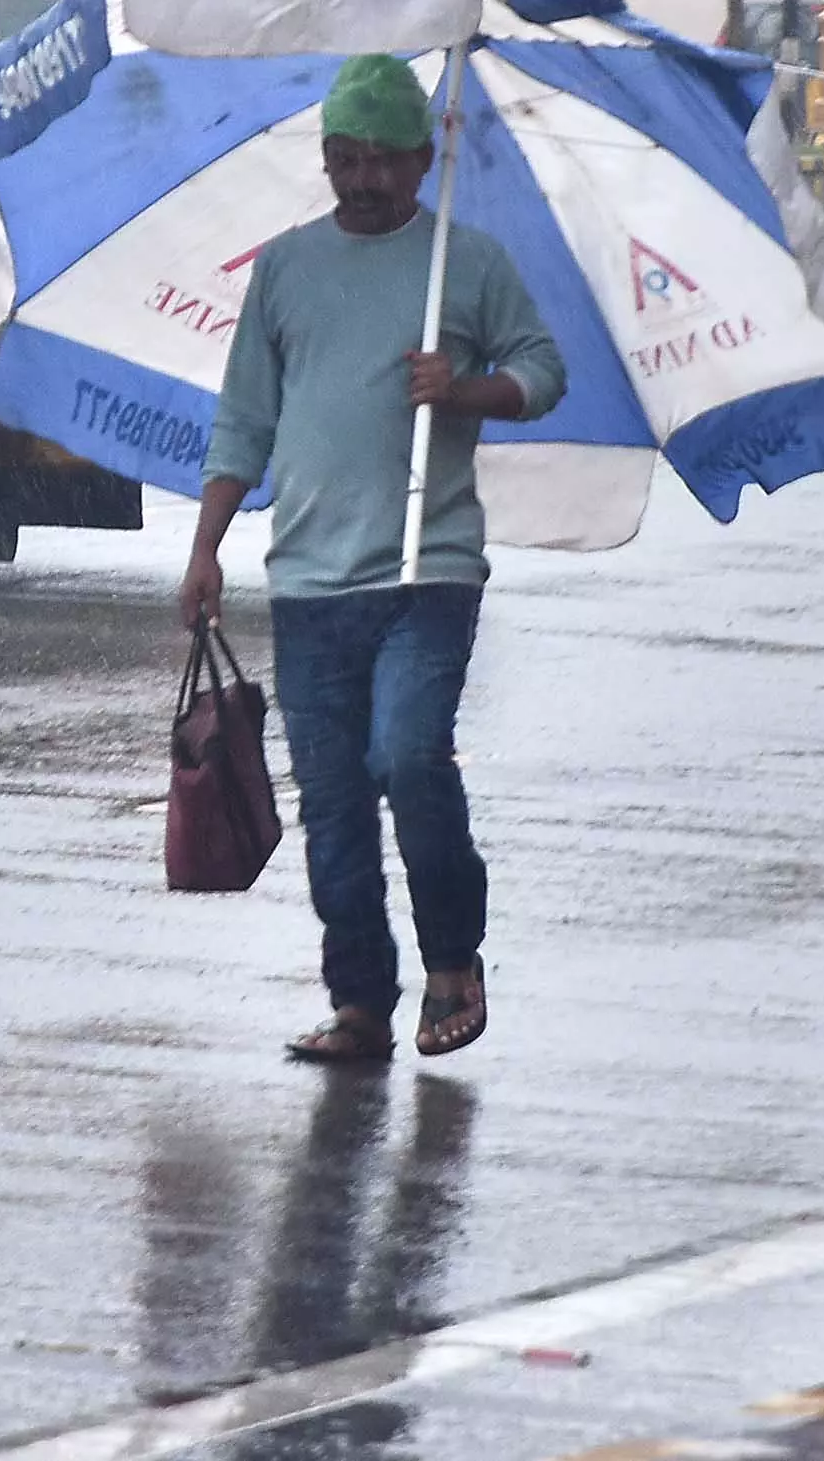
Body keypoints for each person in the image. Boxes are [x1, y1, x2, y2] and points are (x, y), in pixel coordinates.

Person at [177, 55, 564, 1067]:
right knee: (335, 806)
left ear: (419, 159)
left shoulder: (463, 266)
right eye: (342, 160)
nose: (360, 181)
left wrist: (465, 388)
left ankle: (453, 957)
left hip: (424, 572)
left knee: (404, 755)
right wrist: (205, 547)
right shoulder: (285, 268)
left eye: (380, 162)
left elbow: (542, 369)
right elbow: (242, 421)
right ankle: (359, 1003)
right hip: (307, 583)